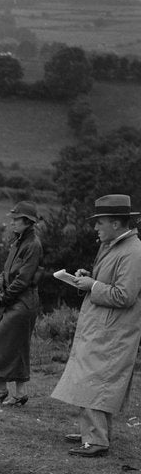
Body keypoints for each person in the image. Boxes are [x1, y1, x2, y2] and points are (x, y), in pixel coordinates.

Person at [51, 194, 141, 457]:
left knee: (96, 381)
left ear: (115, 223)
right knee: (91, 379)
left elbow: (125, 295)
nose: (95, 227)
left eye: (99, 222)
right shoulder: (116, 246)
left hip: (114, 331)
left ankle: (97, 440)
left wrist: (94, 286)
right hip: (103, 327)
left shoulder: (133, 251)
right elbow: (111, 285)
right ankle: (91, 433)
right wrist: (89, 279)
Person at [0, 202, 44, 407]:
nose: (12, 223)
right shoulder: (18, 241)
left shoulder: (33, 244)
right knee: (14, 346)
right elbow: (6, 271)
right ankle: (13, 392)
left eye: (16, 220)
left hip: (23, 303)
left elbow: (23, 280)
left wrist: (3, 298)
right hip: (13, 300)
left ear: (27, 222)